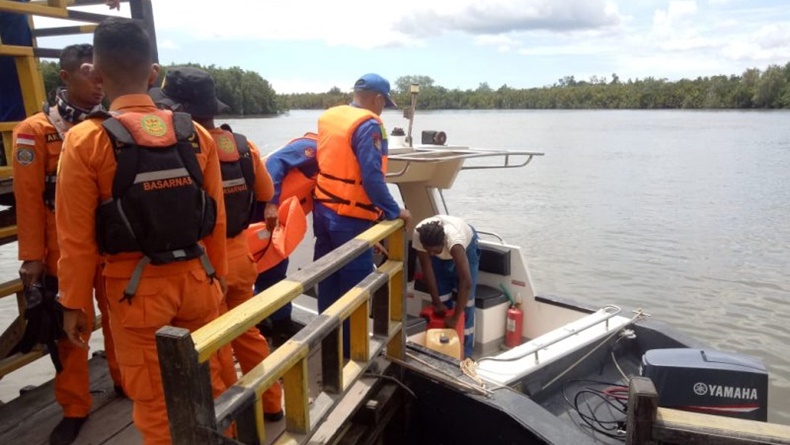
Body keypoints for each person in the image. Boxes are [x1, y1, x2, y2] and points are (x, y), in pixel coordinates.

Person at [57, 19, 228, 445]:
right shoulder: (197, 135)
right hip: (199, 278)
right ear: (154, 73)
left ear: (95, 73)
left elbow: (75, 240)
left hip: (134, 291)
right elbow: (217, 220)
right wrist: (218, 277)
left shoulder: (84, 140)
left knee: (155, 401)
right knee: (214, 385)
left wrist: (74, 304)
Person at [149, 66, 283, 421]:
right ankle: (272, 402)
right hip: (239, 255)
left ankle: (228, 421)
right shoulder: (241, 145)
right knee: (248, 333)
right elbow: (268, 194)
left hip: (203, 265)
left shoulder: (177, 151)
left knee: (214, 348)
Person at [11, 43, 122, 445]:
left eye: (101, 76)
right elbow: (27, 199)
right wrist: (32, 258)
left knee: (119, 319)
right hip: (62, 250)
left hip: (110, 245)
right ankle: (75, 408)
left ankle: (124, 381)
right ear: (65, 77)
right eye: (89, 75)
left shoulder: (111, 126)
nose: (98, 84)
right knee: (68, 333)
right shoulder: (34, 131)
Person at [313, 73, 410, 354]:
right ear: (378, 99)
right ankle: (349, 354)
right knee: (354, 291)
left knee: (329, 281)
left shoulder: (331, 117)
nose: (383, 109)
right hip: (350, 219)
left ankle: (327, 345)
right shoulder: (369, 126)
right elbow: (371, 177)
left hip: (323, 209)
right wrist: (395, 211)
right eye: (384, 103)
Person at [254, 132, 318, 345]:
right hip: (260, 211)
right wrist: (271, 203)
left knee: (274, 268)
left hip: (278, 220)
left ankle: (278, 323)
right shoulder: (312, 148)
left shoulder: (335, 159)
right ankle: (263, 324)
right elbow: (276, 161)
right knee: (257, 271)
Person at [412, 215, 481, 358]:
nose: (430, 253)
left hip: (467, 245)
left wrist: (455, 317)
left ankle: (465, 353)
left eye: (434, 251)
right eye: (427, 250)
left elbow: (466, 282)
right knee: (442, 297)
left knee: (466, 304)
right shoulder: (419, 236)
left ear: (443, 243)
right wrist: (436, 302)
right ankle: (443, 350)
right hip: (441, 246)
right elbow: (427, 267)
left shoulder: (455, 243)